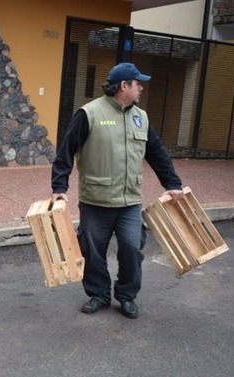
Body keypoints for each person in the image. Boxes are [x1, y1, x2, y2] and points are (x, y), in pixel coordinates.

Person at [51, 62, 183, 319]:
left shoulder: (141, 117)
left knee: (132, 248)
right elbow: (65, 151)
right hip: (96, 201)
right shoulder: (89, 114)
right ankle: (99, 294)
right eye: (137, 83)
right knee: (92, 252)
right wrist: (59, 187)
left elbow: (157, 154)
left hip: (129, 202)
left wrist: (173, 184)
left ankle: (126, 296)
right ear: (124, 85)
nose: (141, 87)